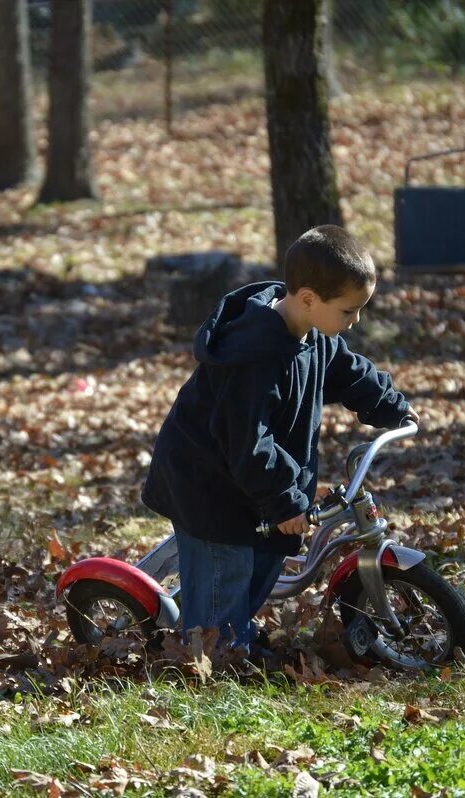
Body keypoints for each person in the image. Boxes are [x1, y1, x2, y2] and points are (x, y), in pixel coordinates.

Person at [141, 225, 419, 652]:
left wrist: (391, 406)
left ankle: (235, 632)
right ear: (308, 298)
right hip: (210, 489)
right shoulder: (252, 359)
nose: (355, 320)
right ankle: (216, 653)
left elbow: (347, 371)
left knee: (267, 558)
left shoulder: (313, 333)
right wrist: (286, 500)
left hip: (250, 484)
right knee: (227, 571)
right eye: (349, 311)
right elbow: (248, 441)